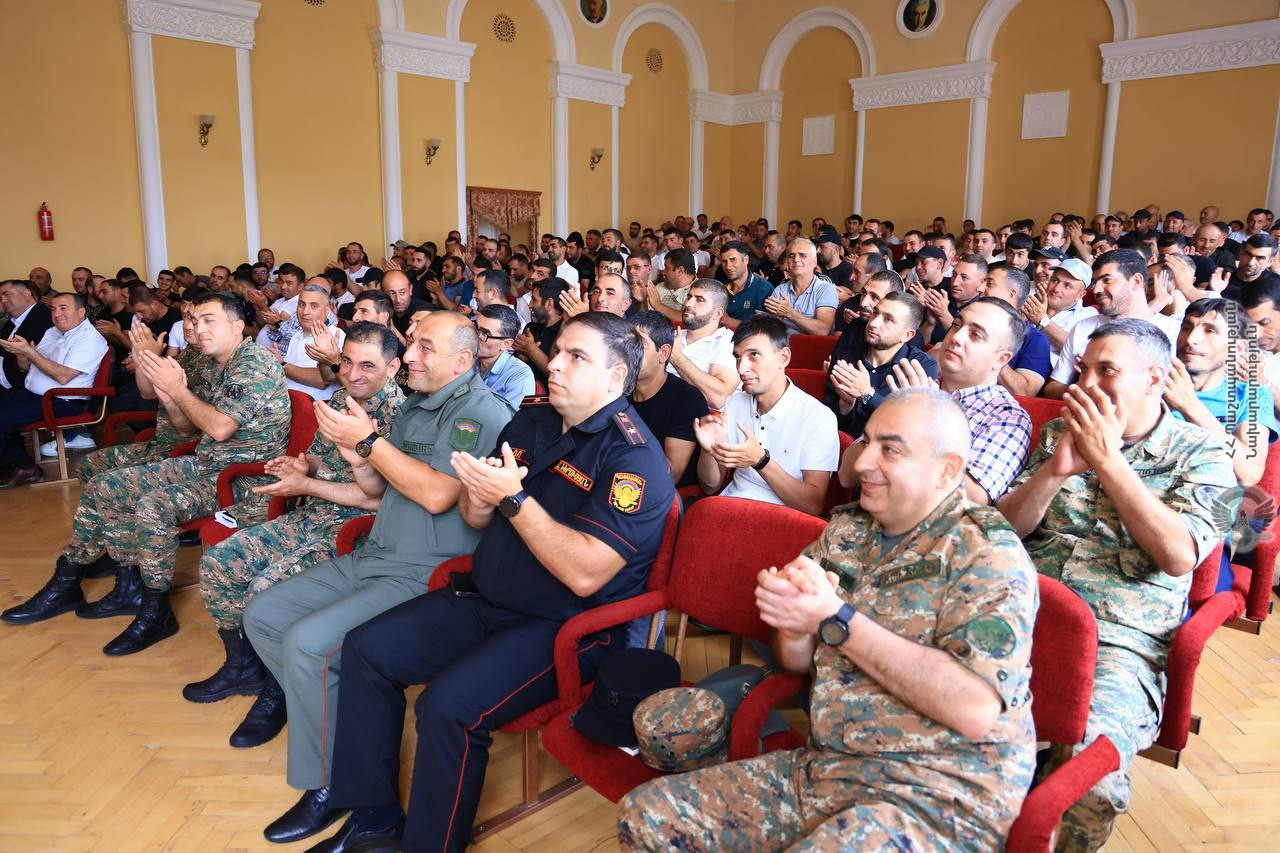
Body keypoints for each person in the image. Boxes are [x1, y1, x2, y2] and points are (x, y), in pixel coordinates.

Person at [313, 312, 674, 852]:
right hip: (489, 598)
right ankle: (373, 820)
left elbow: (585, 574)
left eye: (576, 357)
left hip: (566, 627)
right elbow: (474, 515)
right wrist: (482, 499)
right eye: (557, 351)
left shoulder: (634, 458)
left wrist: (513, 499)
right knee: (365, 649)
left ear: (616, 376)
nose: (555, 364)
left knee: (447, 708)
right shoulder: (531, 422)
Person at [620, 387, 1038, 850]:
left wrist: (835, 617)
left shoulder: (986, 553)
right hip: (830, 767)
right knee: (646, 816)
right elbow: (796, 661)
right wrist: (794, 624)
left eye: (890, 450)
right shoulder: (847, 530)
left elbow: (974, 708)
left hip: (937, 797)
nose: (862, 463)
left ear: (948, 470)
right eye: (867, 441)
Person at [241, 312, 513, 846]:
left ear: (462, 360)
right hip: (377, 553)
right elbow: (378, 489)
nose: (409, 355)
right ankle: (343, 736)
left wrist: (368, 441)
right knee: (264, 616)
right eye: (412, 344)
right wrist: (357, 456)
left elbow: (438, 494)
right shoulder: (416, 405)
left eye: (424, 347)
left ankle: (332, 784)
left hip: (426, 571)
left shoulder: (479, 411)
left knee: (309, 644)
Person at [998, 318, 1235, 851]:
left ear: (1154, 378)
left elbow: (1178, 556)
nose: (1086, 384)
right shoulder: (1060, 432)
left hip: (1120, 641)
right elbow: (1005, 531)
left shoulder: (1205, 455)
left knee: (1089, 782)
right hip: (1019, 612)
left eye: (1106, 371)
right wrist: (1054, 473)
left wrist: (1107, 461)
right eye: (1084, 370)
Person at [3, 294, 290, 652]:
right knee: (107, 485)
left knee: (152, 505)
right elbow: (186, 426)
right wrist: (168, 391)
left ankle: (155, 609)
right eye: (195, 320)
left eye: (208, 321)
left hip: (243, 479)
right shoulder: (218, 363)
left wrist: (176, 388)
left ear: (236, 327)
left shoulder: (253, 363)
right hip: (209, 465)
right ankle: (88, 579)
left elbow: (219, 429)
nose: (198, 328)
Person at [186, 325, 406, 708]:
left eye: (367, 366)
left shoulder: (402, 417)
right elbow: (321, 459)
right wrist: (302, 466)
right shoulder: (341, 399)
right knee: (220, 562)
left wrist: (308, 485)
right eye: (347, 362)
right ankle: (244, 667)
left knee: (266, 589)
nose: (353, 374)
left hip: (358, 532)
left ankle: (280, 686)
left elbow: (382, 500)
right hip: (314, 512)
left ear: (393, 367)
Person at [854, 298, 1032, 506]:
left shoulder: (1006, 417)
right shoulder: (916, 386)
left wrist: (925, 419)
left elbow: (970, 498)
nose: (956, 337)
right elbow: (848, 473)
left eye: (975, 335)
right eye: (956, 325)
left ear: (1001, 359)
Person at [696, 315, 837, 515]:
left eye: (754, 355)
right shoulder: (735, 403)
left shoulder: (819, 417)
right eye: (737, 357)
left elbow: (812, 505)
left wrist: (760, 460)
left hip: (784, 520)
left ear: (783, 358)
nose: (741, 368)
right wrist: (709, 449)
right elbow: (710, 486)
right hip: (731, 508)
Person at [1163, 298, 1277, 486]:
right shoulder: (1154, 384)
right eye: (1186, 328)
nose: (1191, 339)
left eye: (1210, 331)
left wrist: (1190, 407)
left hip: (1208, 500)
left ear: (1237, 348)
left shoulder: (1251, 395)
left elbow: (1249, 472)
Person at [0, 292, 108, 489]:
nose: (57, 314)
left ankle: (24, 467)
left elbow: (63, 376)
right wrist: (23, 355)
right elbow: (27, 368)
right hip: (34, 394)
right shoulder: (52, 332)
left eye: (63, 308)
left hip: (62, 401)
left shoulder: (90, 339)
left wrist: (30, 352)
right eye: (53, 309)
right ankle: (13, 464)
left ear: (81, 312)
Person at [1043, 250, 1182, 398]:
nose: (1096, 290)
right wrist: (1085, 385)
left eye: (1106, 280)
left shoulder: (1173, 331)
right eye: (1095, 282)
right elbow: (1052, 388)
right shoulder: (1084, 328)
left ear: (1136, 281)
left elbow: (1174, 395)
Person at [826, 288, 935, 437]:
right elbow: (829, 405)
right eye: (875, 313)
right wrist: (846, 405)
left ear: (907, 335)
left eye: (888, 319)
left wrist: (868, 394)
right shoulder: (852, 337)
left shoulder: (921, 367)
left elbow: (907, 427)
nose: (874, 323)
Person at [629, 311, 709, 486]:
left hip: (664, 493)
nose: (628, 351)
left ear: (664, 353)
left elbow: (670, 475)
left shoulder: (687, 399)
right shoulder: (618, 389)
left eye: (639, 344)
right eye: (626, 343)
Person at [666, 279, 739, 409]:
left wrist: (677, 358)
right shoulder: (672, 335)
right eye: (689, 297)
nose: (688, 303)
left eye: (699, 300)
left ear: (717, 313)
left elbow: (717, 399)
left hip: (694, 416)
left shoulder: (727, 342)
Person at [980, 265, 1051, 397]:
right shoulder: (968, 321)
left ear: (1012, 293)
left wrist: (990, 348)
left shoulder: (1035, 339)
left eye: (989, 284)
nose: (980, 289)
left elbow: (1025, 392)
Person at [1018, 257, 1097, 370]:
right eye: (1054, 280)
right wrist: (1022, 317)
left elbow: (1078, 349)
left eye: (1067, 285)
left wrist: (1042, 321)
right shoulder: (1032, 301)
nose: (1056, 288)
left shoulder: (1088, 315)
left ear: (1080, 295)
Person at [274, 280, 345, 402]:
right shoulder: (297, 335)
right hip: (287, 401)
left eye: (314, 306)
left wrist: (282, 365)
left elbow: (322, 380)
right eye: (301, 305)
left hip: (314, 406)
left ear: (327, 310)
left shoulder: (334, 334)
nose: (305, 312)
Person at [764, 238, 838, 335]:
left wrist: (788, 312)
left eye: (802, 255)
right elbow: (769, 330)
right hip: (781, 343)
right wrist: (775, 320)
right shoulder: (780, 289)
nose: (796, 259)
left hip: (811, 344)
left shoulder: (826, 289)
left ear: (814, 261)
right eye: (791, 256)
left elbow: (823, 330)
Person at [476, 304, 535, 410]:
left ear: (506, 344)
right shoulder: (465, 360)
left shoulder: (520, 375)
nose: (476, 336)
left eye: (485, 333)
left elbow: (508, 418)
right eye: (475, 329)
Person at [0, 279, 53, 393]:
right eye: (0, 297)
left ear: (27, 293)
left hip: (19, 386)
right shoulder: (11, 321)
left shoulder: (43, 318)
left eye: (7, 294)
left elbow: (24, 363)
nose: (3, 300)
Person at [513, 278, 569, 385]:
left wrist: (532, 351)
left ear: (549, 303)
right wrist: (523, 358)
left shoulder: (566, 333)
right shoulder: (531, 328)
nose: (530, 305)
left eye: (534, 300)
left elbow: (556, 373)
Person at [717, 240, 773, 328]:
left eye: (733, 260)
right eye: (724, 261)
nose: (728, 266)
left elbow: (764, 329)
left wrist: (729, 322)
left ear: (746, 260)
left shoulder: (764, 289)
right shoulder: (720, 288)